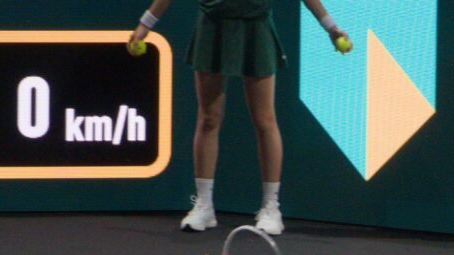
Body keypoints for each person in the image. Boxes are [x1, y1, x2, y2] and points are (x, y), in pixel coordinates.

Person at [130, 1, 351, 236]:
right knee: (208, 119)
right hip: (212, 24)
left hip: (256, 25)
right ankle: (204, 205)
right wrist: (145, 24)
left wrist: (331, 27)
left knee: (265, 120)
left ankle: (271, 207)